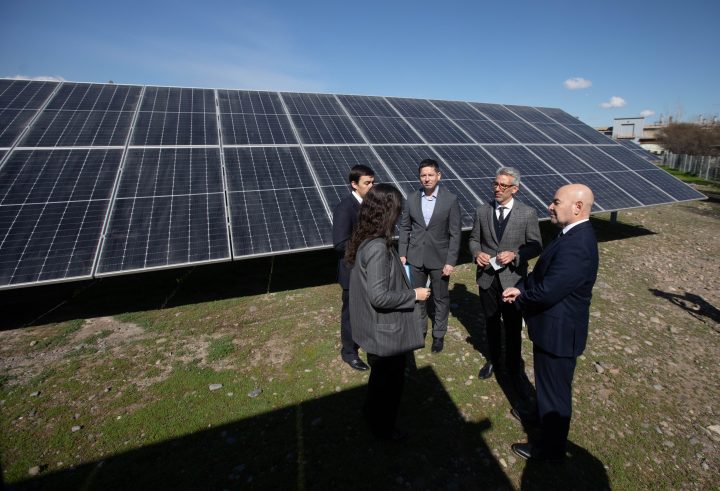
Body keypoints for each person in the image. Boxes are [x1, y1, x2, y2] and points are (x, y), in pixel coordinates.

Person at [502, 184, 599, 462]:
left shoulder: (578, 244)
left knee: (556, 393)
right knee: (546, 382)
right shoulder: (568, 234)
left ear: (577, 207)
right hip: (550, 329)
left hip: (560, 333)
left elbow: (549, 291)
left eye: (556, 202)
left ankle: (550, 449)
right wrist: (521, 287)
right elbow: (542, 274)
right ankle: (539, 415)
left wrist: (519, 299)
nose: (550, 206)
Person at [345, 183, 431, 440]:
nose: (400, 215)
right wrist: (415, 294)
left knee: (380, 380)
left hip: (375, 328)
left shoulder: (367, 239)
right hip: (385, 332)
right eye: (397, 210)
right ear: (386, 212)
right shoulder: (377, 248)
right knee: (390, 385)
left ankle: (371, 414)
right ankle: (384, 429)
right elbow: (379, 296)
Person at [468, 167, 542, 420]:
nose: (497, 189)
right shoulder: (481, 210)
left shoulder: (527, 213)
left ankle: (513, 368)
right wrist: (476, 253)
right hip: (487, 278)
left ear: (515, 189)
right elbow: (473, 240)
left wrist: (516, 255)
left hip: (513, 279)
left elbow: (535, 245)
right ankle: (494, 361)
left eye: (503, 185)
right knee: (490, 322)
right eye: (495, 184)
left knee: (511, 326)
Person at [398, 159, 461, 353]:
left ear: (438, 176)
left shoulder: (450, 200)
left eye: (430, 175)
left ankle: (439, 335)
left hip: (440, 259)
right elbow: (405, 228)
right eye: (423, 175)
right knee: (418, 297)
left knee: (441, 298)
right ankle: (419, 332)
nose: (426, 179)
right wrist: (402, 253)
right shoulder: (411, 198)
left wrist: (451, 261)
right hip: (415, 258)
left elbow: (455, 233)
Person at [332, 165, 375, 371]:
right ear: (354, 184)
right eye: (367, 183)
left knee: (367, 310)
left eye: (372, 182)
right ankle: (349, 352)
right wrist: (368, 246)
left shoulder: (369, 204)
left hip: (369, 269)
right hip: (352, 271)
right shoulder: (345, 208)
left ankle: (365, 340)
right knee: (350, 313)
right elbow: (340, 243)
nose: (371, 186)